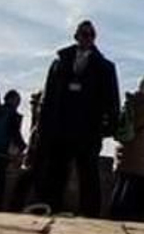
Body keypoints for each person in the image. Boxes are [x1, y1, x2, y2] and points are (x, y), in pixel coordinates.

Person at [25, 21, 120, 216]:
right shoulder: (60, 62)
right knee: (56, 172)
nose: (86, 38)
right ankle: (50, 207)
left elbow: (112, 100)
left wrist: (108, 128)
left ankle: (89, 214)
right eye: (83, 34)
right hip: (61, 126)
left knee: (88, 174)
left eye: (90, 35)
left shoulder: (105, 67)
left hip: (88, 128)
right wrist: (43, 126)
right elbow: (49, 97)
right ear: (76, 36)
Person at [110, 74, 144, 220]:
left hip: (125, 148)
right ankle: (124, 215)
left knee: (121, 182)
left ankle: (114, 211)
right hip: (139, 153)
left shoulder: (130, 103)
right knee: (131, 186)